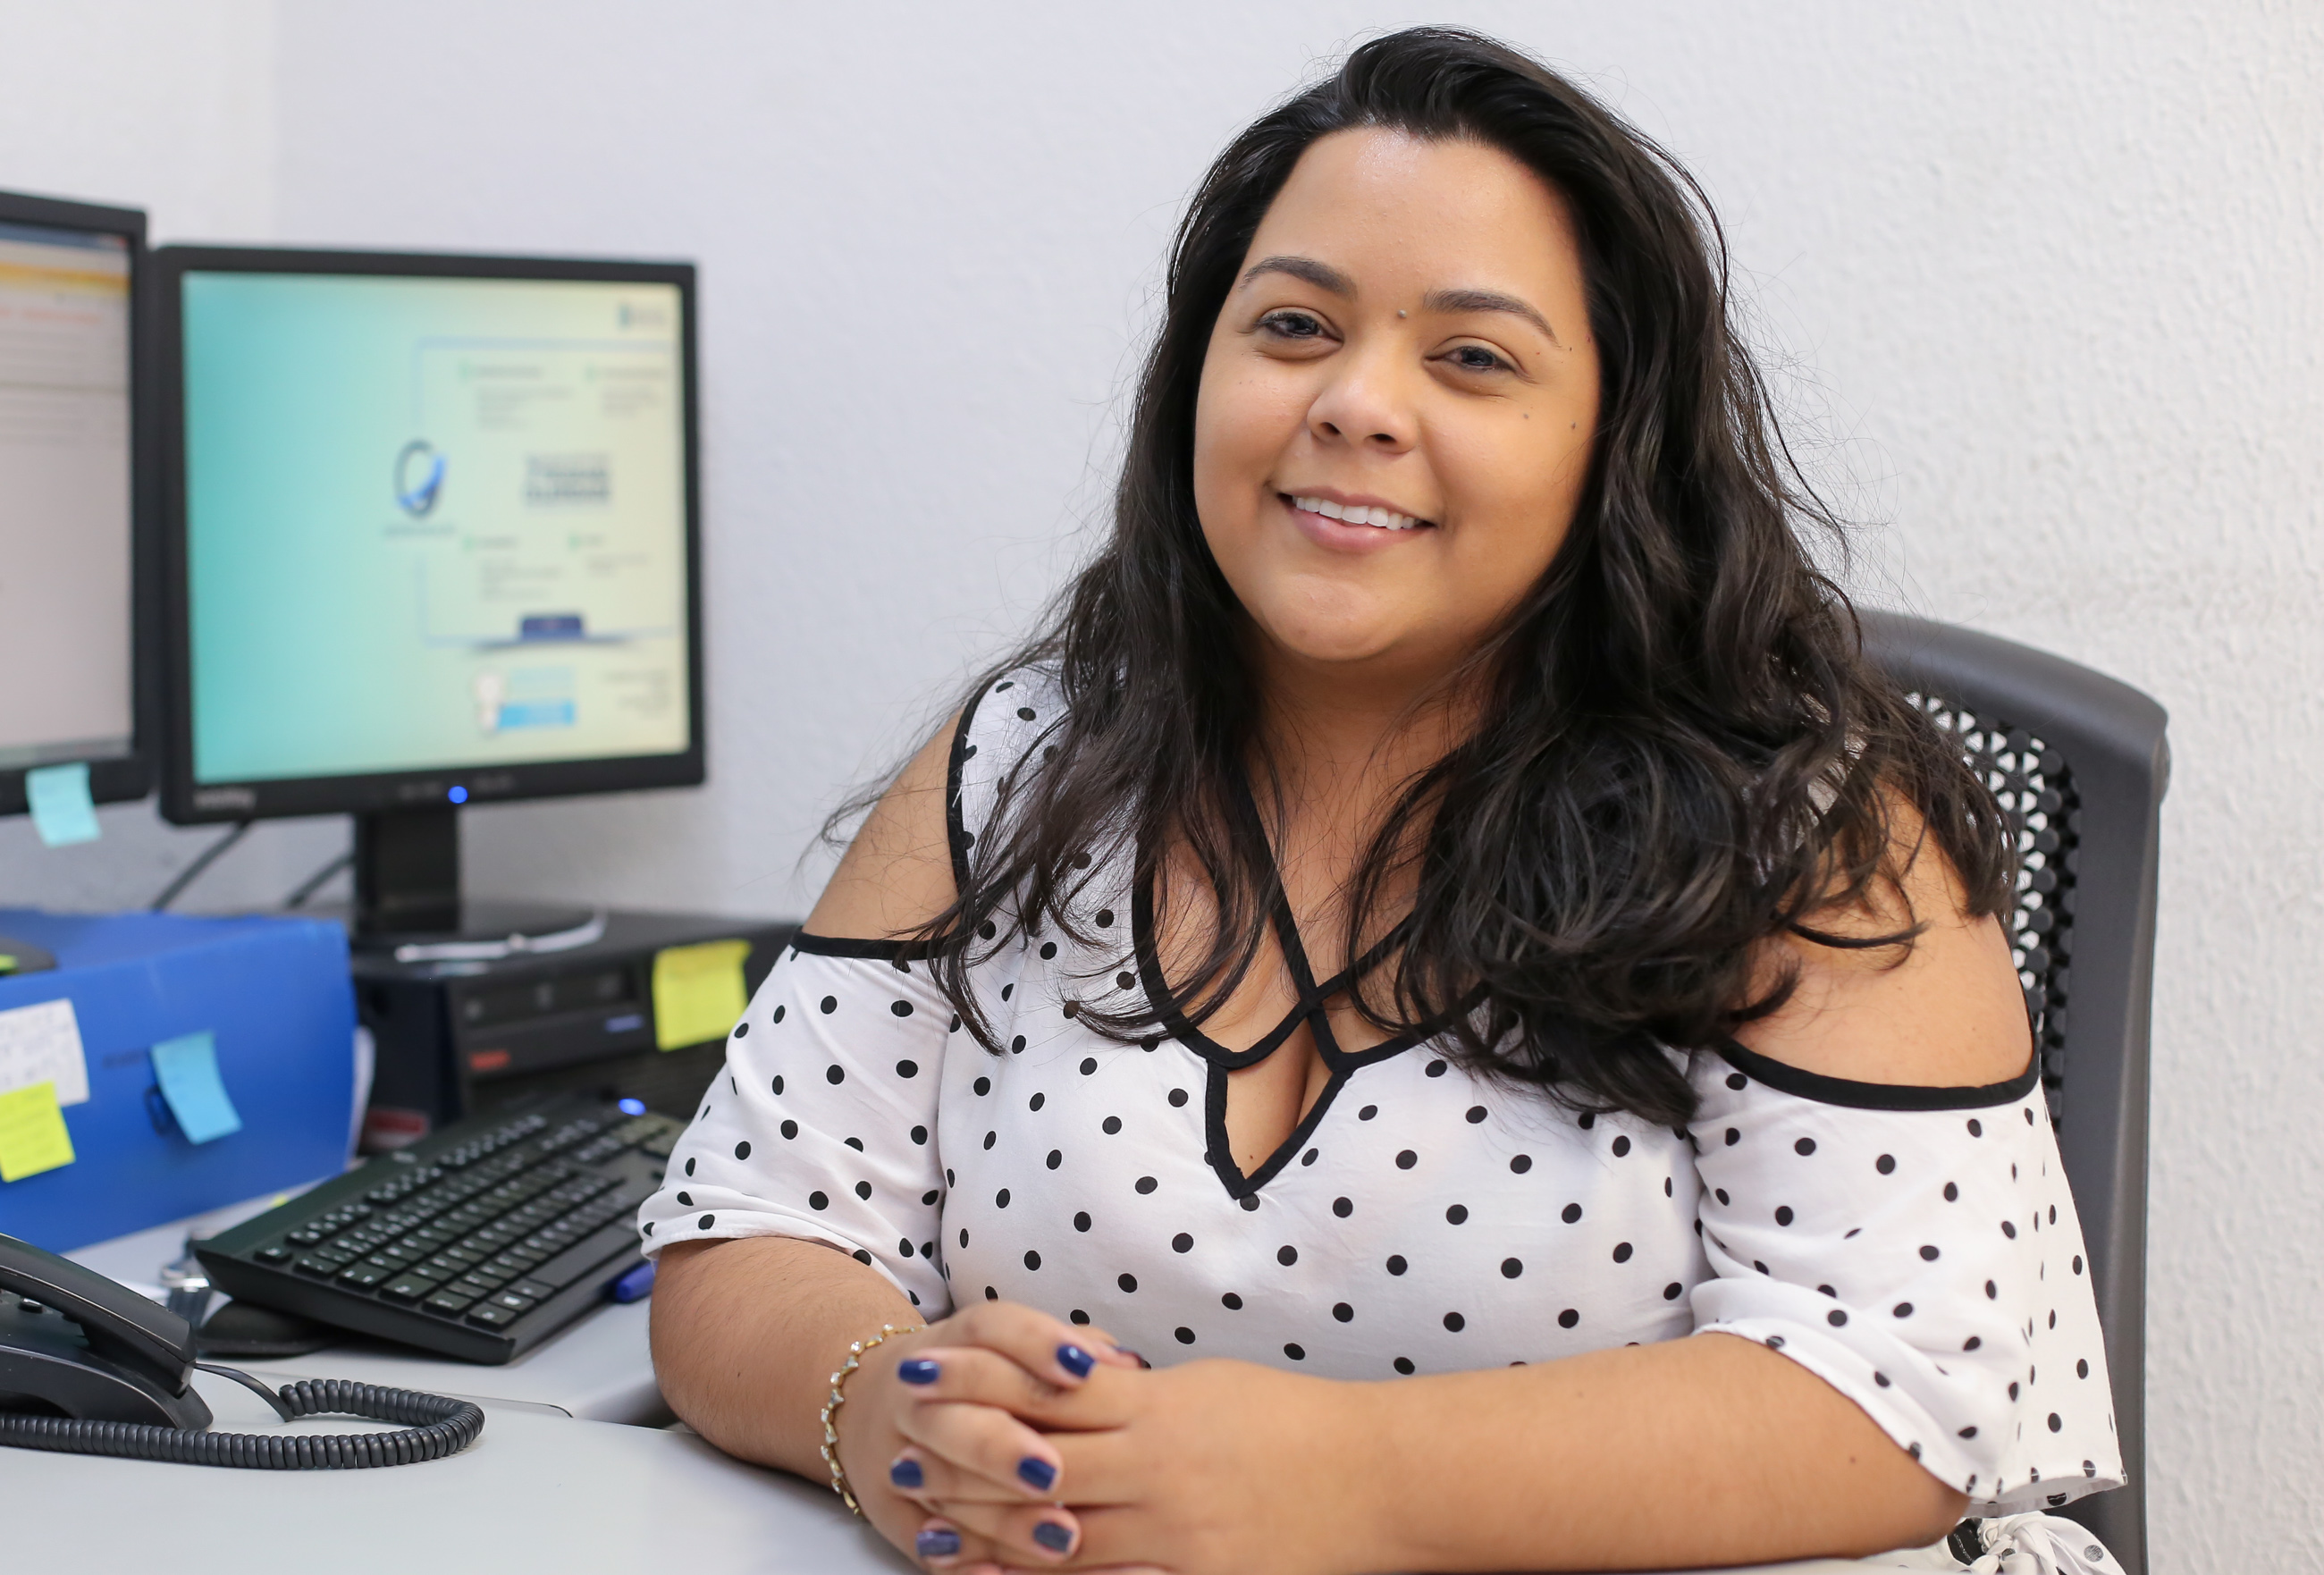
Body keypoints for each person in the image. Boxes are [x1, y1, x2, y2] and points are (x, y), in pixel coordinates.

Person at [637, 26, 2121, 1575]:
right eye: (1291, 327)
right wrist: (877, 1399)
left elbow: (1900, 1399)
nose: (1355, 402)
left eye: (1472, 357)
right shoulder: (1014, 768)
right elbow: (747, 1226)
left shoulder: (1810, 833)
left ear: (1613, 438)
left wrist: (1333, 1478)